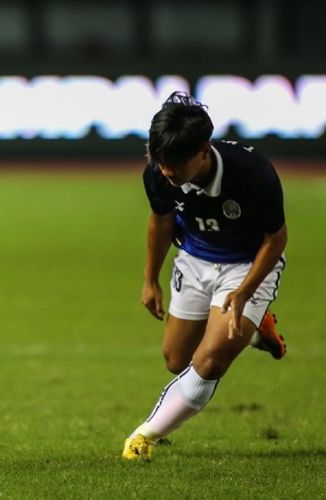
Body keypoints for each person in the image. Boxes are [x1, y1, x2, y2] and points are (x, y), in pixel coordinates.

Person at [122, 91, 287, 460]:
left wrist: (245, 293)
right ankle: (257, 331)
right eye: (160, 160)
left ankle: (144, 436)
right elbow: (161, 220)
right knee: (177, 361)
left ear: (202, 151)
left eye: (175, 163)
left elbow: (276, 239)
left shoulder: (252, 173)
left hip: (247, 264)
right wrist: (150, 279)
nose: (167, 171)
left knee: (210, 360)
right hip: (195, 260)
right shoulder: (159, 172)